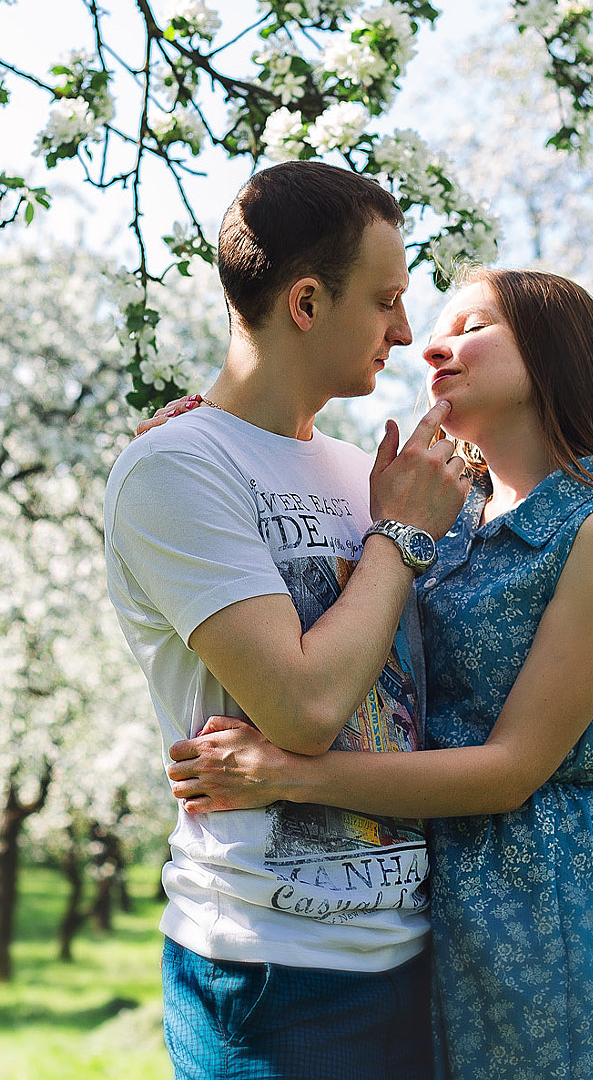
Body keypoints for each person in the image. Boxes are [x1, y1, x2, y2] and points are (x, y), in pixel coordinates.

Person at [163, 267, 593, 1080]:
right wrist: (204, 430)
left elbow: (511, 769)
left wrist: (286, 773)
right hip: (433, 897)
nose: (431, 343)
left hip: (548, 898)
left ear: (553, 352)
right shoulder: (445, 510)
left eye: (473, 326)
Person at [103, 161, 473, 1079]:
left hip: (417, 956)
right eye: (386, 299)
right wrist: (397, 538)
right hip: (271, 972)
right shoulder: (175, 469)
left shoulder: (363, 473)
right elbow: (304, 706)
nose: (404, 329)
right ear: (306, 302)